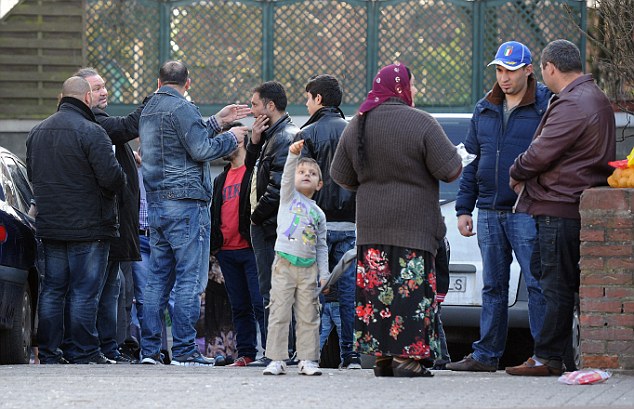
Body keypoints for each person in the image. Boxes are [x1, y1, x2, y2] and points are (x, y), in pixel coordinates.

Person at [331, 63, 462, 377]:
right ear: (401, 87)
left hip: (372, 228)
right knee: (410, 293)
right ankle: (406, 360)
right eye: (413, 85)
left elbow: (340, 175)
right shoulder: (422, 123)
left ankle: (383, 359)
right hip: (414, 228)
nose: (414, 91)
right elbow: (452, 169)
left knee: (378, 293)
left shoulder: (357, 124)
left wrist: (371, 183)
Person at [506, 39, 616, 376]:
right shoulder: (593, 97)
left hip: (559, 204)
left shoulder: (573, 103)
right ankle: (558, 357)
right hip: (571, 201)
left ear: (549, 68)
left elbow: (541, 152)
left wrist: (516, 171)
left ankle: (547, 357)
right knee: (561, 284)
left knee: (554, 285)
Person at [446, 41, 550, 372]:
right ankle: (485, 356)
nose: (504, 78)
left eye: (511, 70)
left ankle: (543, 356)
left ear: (529, 70)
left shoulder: (545, 106)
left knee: (536, 284)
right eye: (500, 70)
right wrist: (464, 208)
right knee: (492, 286)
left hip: (526, 211)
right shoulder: (485, 108)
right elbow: (471, 162)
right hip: (488, 211)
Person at [139, 60, 249, 366]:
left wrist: (216, 121)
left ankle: (150, 351)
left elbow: (184, 138)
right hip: (186, 204)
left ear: (159, 82)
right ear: (188, 83)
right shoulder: (184, 108)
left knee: (157, 279)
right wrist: (232, 137)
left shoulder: (148, 109)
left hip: (158, 204)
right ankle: (186, 350)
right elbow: (199, 149)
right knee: (189, 279)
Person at [27, 76, 126, 364]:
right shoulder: (92, 132)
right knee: (84, 292)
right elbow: (111, 178)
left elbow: (33, 177)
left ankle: (49, 352)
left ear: (62, 97)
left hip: (51, 226)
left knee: (53, 290)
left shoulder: (37, 132)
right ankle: (83, 351)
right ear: (86, 99)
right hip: (89, 227)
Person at [74, 67, 148, 363]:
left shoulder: (98, 121)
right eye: (97, 87)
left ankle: (108, 346)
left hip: (118, 226)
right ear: (84, 95)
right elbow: (125, 126)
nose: (104, 91)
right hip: (105, 226)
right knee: (104, 290)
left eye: (105, 86)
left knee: (116, 289)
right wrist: (153, 100)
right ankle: (95, 348)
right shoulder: (94, 123)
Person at [297, 74, 360, 369]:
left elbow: (303, 182)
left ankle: (308, 353)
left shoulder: (306, 134)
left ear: (318, 99)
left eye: (308, 98)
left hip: (317, 225)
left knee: (311, 290)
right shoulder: (353, 132)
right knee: (348, 293)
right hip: (350, 223)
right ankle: (352, 355)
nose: (306, 104)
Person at [262, 139, 329, 376]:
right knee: (279, 312)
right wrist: (293, 156)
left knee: (308, 315)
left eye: (312, 173)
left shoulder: (319, 214)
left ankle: (307, 359)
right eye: (302, 172)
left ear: (319, 184)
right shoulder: (288, 198)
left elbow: (321, 246)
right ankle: (276, 359)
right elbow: (287, 177)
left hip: (309, 269)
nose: (306, 175)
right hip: (284, 264)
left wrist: (325, 274)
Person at [246, 81, 299, 365]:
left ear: (270, 106)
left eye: (255, 104)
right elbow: (252, 173)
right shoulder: (269, 136)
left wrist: (256, 216)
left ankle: (278, 352)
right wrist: (254, 143)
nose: (252, 110)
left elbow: (278, 188)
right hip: (266, 226)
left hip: (272, 227)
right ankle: (275, 351)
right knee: (269, 289)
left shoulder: (285, 137)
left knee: (274, 291)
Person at [211, 124, 266, 367]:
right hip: (227, 252)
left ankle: (272, 352)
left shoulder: (254, 172)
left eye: (228, 138)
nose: (223, 143)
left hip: (251, 249)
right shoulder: (221, 177)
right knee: (240, 306)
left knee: (260, 303)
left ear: (242, 140)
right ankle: (246, 353)